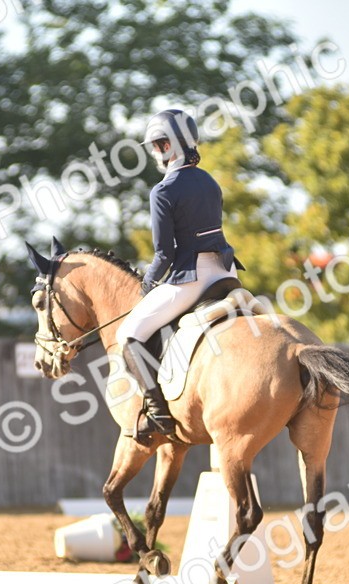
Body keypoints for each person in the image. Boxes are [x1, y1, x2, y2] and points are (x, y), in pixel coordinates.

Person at [116, 108, 240, 441]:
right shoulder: (210, 181)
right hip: (225, 272)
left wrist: (146, 285)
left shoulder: (163, 190)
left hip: (192, 277)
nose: (154, 152)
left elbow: (164, 254)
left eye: (156, 145)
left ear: (168, 146)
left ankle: (158, 414)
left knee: (128, 335)